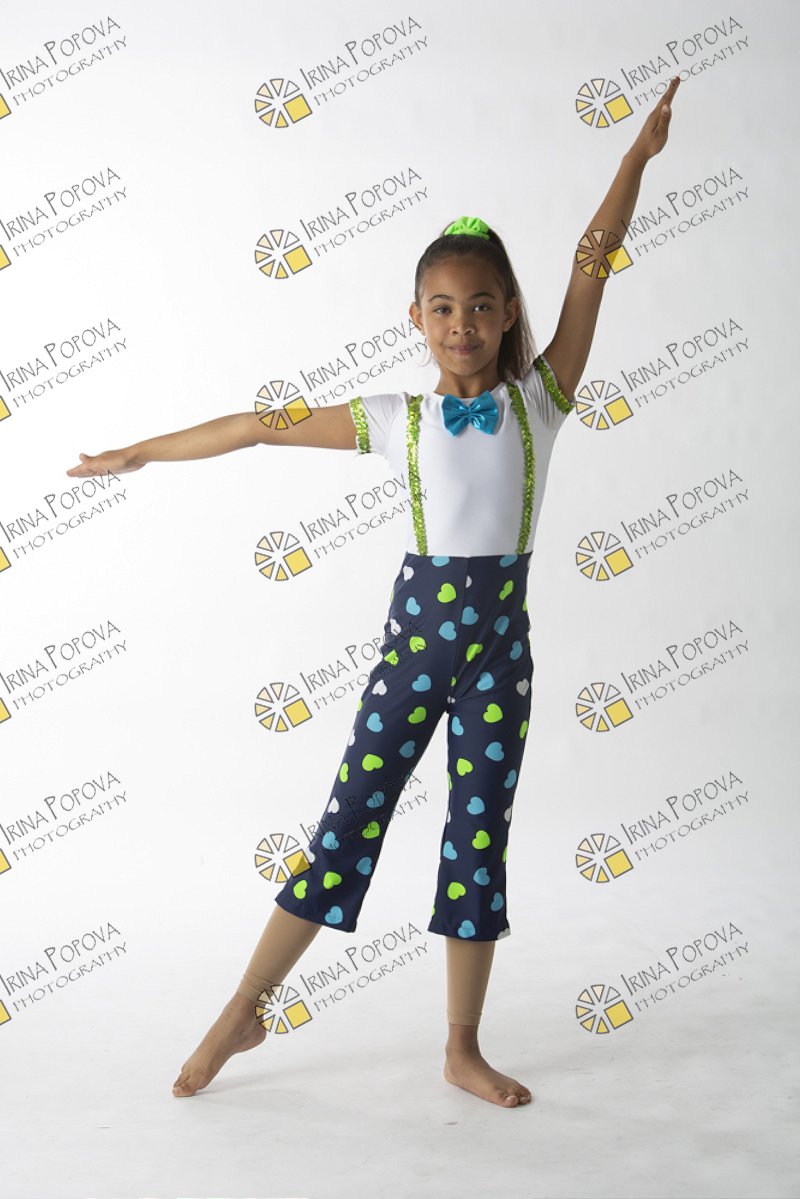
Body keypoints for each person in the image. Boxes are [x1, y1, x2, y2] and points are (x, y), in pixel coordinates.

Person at [66, 76, 681, 1108]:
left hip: (500, 656)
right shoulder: (397, 419)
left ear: (507, 313)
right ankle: (241, 1008)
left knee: (476, 837)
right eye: (442, 308)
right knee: (350, 819)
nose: (461, 324)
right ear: (415, 318)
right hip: (414, 652)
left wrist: (634, 161)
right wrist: (141, 451)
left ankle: (460, 1045)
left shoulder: (542, 401)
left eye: (479, 306)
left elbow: (592, 262)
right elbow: (258, 425)